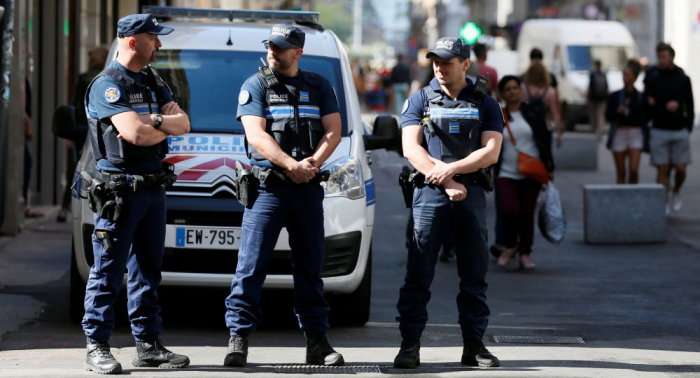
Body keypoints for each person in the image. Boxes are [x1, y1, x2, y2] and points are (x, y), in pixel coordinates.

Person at [225, 24, 343, 368]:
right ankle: (239, 339)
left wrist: (312, 164)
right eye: (270, 46)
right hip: (268, 189)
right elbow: (257, 136)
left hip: (306, 189)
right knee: (250, 268)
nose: (273, 52)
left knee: (309, 268)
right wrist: (292, 165)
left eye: (280, 48)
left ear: (297, 53)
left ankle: (317, 342)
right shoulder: (256, 85)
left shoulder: (319, 86)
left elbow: (333, 131)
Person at [81, 14, 191, 374]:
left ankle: (148, 346)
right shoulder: (108, 84)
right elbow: (135, 136)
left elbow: (185, 124)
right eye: (153, 38)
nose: (159, 45)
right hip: (121, 193)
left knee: (147, 272)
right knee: (108, 272)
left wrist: (153, 121)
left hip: (152, 189)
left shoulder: (152, 78)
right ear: (131, 41)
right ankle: (97, 345)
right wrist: (160, 122)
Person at [394, 37, 503, 369]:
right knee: (418, 271)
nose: (439, 67)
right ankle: (409, 345)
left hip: (470, 195)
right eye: (435, 61)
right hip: (429, 193)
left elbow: (491, 151)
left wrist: (454, 170)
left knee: (474, 273)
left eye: (447, 61)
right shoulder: (420, 99)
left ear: (465, 64)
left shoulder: (485, 102)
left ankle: (474, 345)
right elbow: (411, 149)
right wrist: (448, 180)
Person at [494, 75, 554, 270]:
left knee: (527, 214)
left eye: (515, 88)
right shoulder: (497, 115)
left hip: (531, 171)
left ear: (520, 90)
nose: (512, 91)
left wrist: (549, 167)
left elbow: (544, 140)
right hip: (505, 172)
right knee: (509, 210)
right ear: (502, 93)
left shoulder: (533, 112)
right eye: (508, 89)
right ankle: (510, 246)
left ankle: (525, 253)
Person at [57, 46, 109, 222]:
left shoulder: (84, 78)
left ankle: (66, 207)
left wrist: (73, 132)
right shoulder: (109, 78)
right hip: (104, 131)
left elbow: (76, 106)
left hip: (83, 131)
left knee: (79, 168)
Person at [643, 42, 694, 215]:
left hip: (679, 128)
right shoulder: (653, 77)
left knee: (681, 168)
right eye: (659, 57)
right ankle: (663, 201)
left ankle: (676, 190)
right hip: (659, 128)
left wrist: (688, 125)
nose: (661, 60)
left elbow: (690, 104)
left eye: (664, 57)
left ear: (672, 57)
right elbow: (647, 104)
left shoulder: (682, 78)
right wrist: (663, 107)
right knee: (662, 169)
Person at [605, 59, 647, 184]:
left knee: (633, 170)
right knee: (621, 171)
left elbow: (645, 116)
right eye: (623, 74)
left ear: (635, 77)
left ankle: (632, 195)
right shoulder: (615, 96)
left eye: (627, 74)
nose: (624, 77)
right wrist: (618, 112)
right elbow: (608, 116)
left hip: (635, 132)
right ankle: (621, 197)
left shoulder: (640, 97)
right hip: (620, 132)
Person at [521, 60, 564, 147]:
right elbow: (554, 112)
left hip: (525, 126)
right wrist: (559, 133)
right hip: (544, 127)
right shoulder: (550, 91)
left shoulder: (523, 88)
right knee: (544, 156)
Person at [588, 60, 609, 137]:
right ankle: (600, 129)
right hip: (602, 98)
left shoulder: (593, 74)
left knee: (594, 114)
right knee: (600, 114)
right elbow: (607, 86)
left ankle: (594, 128)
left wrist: (587, 97)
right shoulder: (603, 74)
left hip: (594, 97)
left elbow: (589, 87)